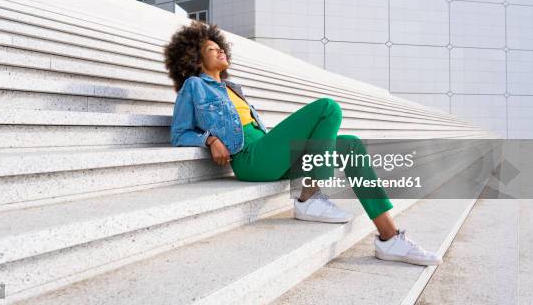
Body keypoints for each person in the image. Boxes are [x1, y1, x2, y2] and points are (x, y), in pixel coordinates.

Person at [164, 20, 442, 266]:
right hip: (250, 159)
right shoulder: (194, 86)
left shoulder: (233, 88)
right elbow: (179, 133)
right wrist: (210, 139)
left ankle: (389, 237)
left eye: (220, 47)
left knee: (353, 146)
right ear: (197, 60)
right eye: (212, 49)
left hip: (268, 152)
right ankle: (309, 196)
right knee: (327, 107)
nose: (221, 51)